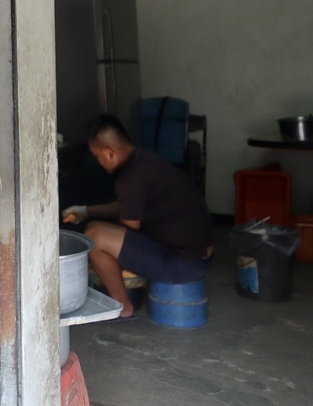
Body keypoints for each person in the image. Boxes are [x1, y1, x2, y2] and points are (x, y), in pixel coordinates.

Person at [62, 114, 213, 318]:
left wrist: (99, 260)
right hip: (199, 257)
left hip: (183, 264)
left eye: (97, 156)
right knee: (100, 234)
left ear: (109, 152)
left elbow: (128, 228)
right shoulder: (145, 162)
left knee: (94, 236)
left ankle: (123, 308)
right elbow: (129, 207)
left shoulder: (131, 178)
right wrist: (86, 210)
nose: (98, 161)